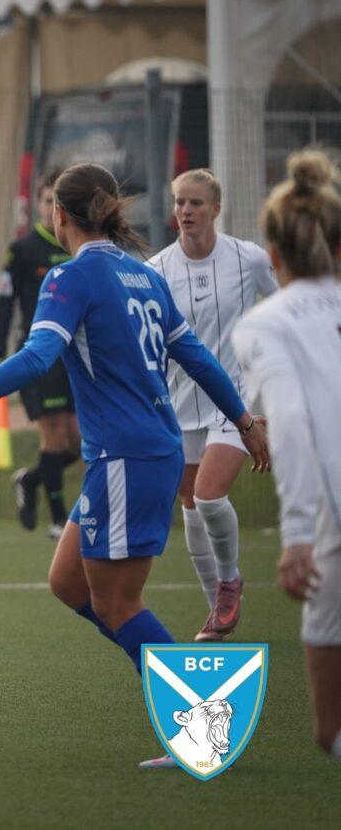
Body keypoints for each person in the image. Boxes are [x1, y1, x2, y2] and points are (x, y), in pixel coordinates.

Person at [0, 163, 268, 766]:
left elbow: (38, 355)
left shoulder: (71, 276)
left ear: (58, 215)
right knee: (67, 582)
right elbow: (197, 357)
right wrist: (245, 422)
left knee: (119, 603)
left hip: (127, 456)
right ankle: (185, 694)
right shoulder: (142, 274)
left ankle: (203, 722)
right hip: (145, 450)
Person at [232, 149, 341, 765]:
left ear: (272, 256)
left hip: (333, 527)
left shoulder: (264, 325)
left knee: (330, 728)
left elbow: (292, 424)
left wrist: (298, 536)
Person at [147, 168, 277, 642]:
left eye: (196, 203)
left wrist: (264, 397)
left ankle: (229, 583)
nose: (185, 211)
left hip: (235, 403)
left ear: (216, 209)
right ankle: (217, 615)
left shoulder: (249, 258)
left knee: (208, 495)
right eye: (179, 202)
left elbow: (280, 312)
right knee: (190, 505)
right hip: (178, 404)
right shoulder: (156, 270)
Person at [0, 170, 79, 537]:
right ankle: (59, 519)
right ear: (37, 204)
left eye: (59, 202)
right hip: (40, 356)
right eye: (47, 201)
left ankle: (30, 480)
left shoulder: (79, 248)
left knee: (80, 442)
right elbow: (5, 298)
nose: (52, 208)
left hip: (76, 355)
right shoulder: (23, 250)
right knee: (55, 436)